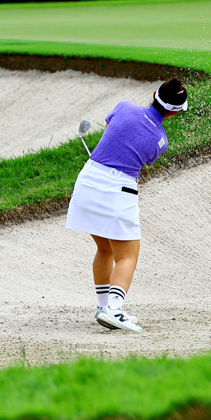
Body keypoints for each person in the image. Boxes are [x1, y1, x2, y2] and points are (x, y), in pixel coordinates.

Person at [66, 77, 188, 333]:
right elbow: (144, 158)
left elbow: (111, 129)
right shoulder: (161, 141)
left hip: (88, 179)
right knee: (127, 255)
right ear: (174, 113)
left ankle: (102, 307)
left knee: (104, 249)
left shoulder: (124, 106)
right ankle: (114, 310)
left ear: (154, 94)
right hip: (118, 190)